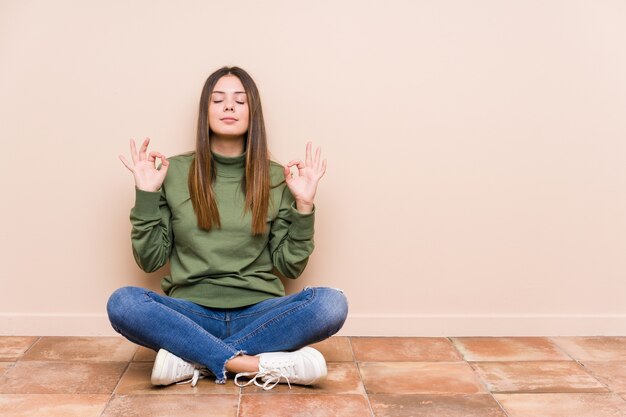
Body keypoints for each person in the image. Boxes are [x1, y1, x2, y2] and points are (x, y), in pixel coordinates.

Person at [106, 66, 348, 390]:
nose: (229, 107)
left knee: (331, 304)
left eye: (240, 101)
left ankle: (194, 357)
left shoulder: (277, 177)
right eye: (218, 100)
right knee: (123, 303)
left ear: (253, 113)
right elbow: (150, 260)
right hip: (191, 313)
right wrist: (147, 194)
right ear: (206, 111)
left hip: (260, 313)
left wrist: (304, 206)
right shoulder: (172, 172)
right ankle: (252, 364)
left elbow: (290, 266)